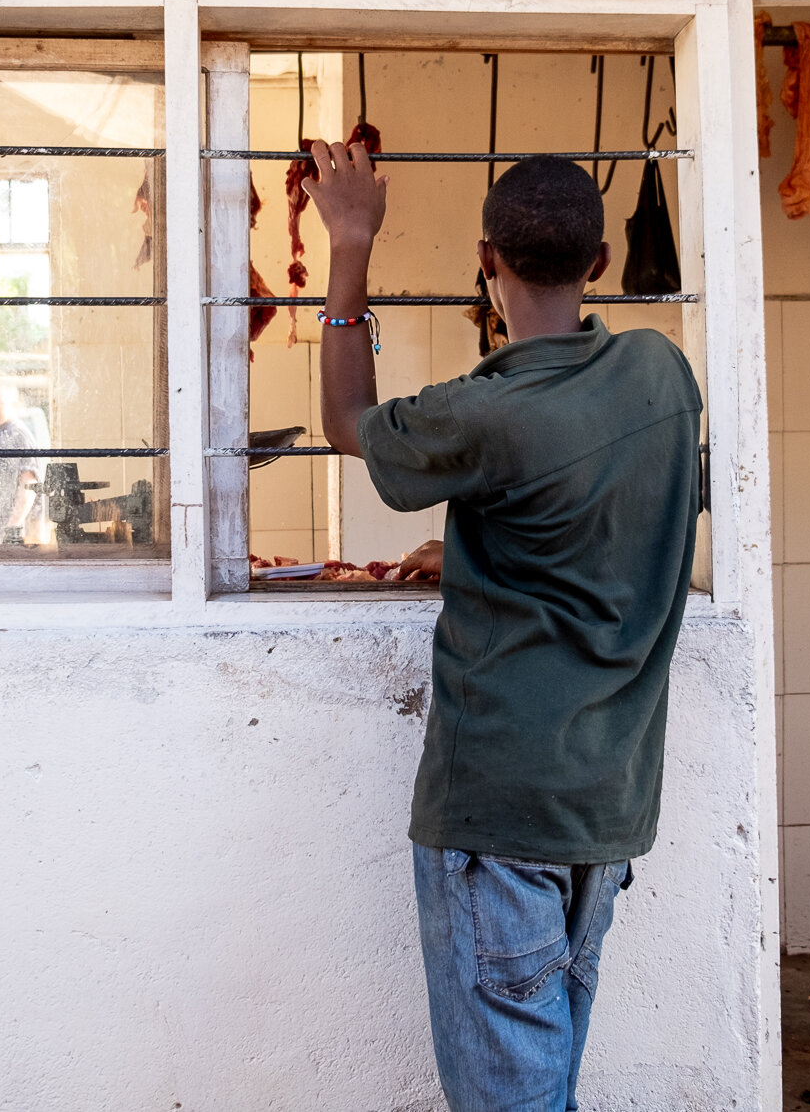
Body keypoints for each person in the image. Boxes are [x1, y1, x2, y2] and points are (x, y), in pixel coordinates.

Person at [303, 143, 702, 1112]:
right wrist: (485, 551)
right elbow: (597, 518)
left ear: (486, 260)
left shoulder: (488, 413)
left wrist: (350, 240)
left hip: (500, 813)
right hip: (602, 815)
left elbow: (348, 420)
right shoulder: (661, 376)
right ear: (600, 263)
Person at [0, 383, 41, 544]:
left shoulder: (17, 435)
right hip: (6, 533)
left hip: (21, 536)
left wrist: (11, 530)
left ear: (12, 405)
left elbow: (29, 486)